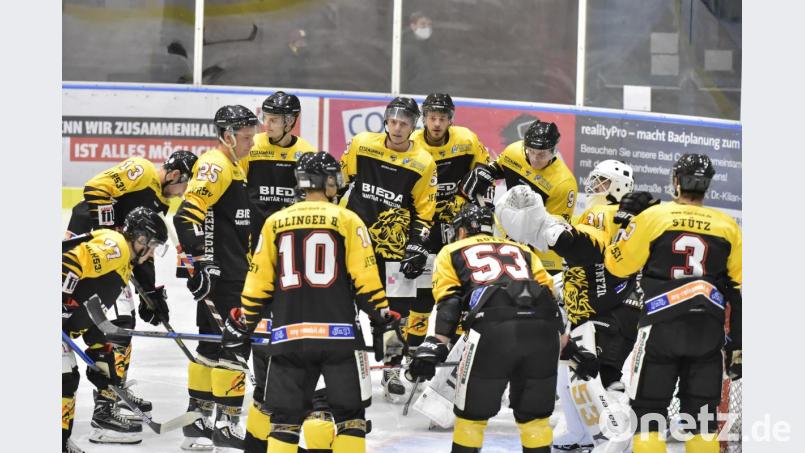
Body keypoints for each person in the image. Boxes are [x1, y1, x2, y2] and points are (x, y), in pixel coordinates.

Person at [221, 151, 398, 453]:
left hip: (288, 337)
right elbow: (365, 279)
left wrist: (244, 323)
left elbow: (259, 283)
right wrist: (384, 320)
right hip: (339, 339)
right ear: (328, 181)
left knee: (284, 422)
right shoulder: (347, 219)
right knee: (350, 419)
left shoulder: (275, 222)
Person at [496, 160, 640, 452]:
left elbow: (587, 250)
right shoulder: (606, 214)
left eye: (601, 181)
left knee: (597, 375)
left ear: (617, 186)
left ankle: (615, 436)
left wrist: (551, 230)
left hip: (609, 310)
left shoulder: (606, 212)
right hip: (596, 309)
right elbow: (586, 261)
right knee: (568, 374)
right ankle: (580, 432)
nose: (593, 186)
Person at [603, 154, 742, 452]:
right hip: (707, 332)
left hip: (659, 328)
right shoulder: (728, 226)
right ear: (707, 185)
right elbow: (740, 288)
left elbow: (617, 266)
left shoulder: (654, 217)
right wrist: (737, 344)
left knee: (648, 419)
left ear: (676, 181)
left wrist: (624, 227)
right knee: (702, 424)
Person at [408, 204, 569, 453]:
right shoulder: (523, 250)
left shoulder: (451, 250)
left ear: (461, 230)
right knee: (535, 421)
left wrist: (436, 344)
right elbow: (547, 297)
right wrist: (568, 343)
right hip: (543, 332)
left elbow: (449, 302)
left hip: (493, 330)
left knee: (471, 419)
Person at [63, 150, 196, 443]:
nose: (182, 194)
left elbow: (143, 248)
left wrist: (151, 292)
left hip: (116, 258)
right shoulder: (142, 170)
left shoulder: (160, 204)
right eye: (184, 186)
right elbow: (96, 188)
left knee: (122, 324)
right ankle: (105, 405)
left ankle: (109, 395)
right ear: (175, 175)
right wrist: (109, 235)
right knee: (110, 324)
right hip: (91, 250)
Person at [339, 96, 437, 402]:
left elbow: (425, 213)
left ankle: (392, 367)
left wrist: (417, 247)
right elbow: (343, 182)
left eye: (404, 123)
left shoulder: (423, 162)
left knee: (393, 314)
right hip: (356, 244)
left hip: (394, 249)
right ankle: (346, 368)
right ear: (386, 120)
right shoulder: (361, 144)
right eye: (393, 121)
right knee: (344, 309)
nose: (397, 128)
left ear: (413, 127)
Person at [173, 105, 258, 451]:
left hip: (224, 272)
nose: (252, 143)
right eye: (247, 137)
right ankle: (226, 424)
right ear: (227, 135)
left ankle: (199, 423)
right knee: (233, 348)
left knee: (209, 346)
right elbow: (185, 217)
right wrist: (202, 261)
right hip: (225, 277)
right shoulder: (216, 164)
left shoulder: (232, 165)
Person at [239, 91, 315, 452]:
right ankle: (261, 409)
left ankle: (270, 417)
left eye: (273, 118)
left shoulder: (305, 153)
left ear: (291, 121)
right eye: (264, 116)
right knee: (261, 332)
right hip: (256, 252)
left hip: (290, 255)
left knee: (285, 330)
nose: (265, 123)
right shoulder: (251, 147)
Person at [62, 208, 168, 452]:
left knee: (90, 369)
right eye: (152, 246)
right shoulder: (117, 246)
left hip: (64, 324)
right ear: (140, 239)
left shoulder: (123, 260)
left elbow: (89, 299)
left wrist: (100, 348)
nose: (152, 252)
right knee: (64, 380)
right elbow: (70, 261)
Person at [404, 93, 490, 351]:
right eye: (432, 118)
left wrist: (476, 187)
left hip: (458, 224)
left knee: (460, 286)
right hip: (423, 223)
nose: (437, 124)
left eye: (442, 118)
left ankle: (458, 349)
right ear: (424, 119)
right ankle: (411, 348)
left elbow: (486, 170)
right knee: (419, 291)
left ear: (450, 119)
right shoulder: (411, 142)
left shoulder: (467, 139)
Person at [460, 119, 577, 274]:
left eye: (541, 154)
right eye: (531, 151)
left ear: (554, 150)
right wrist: (482, 173)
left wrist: (521, 238)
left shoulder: (564, 183)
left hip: (543, 248)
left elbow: (554, 229)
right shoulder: (514, 152)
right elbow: (496, 169)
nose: (535, 158)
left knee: (542, 293)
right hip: (508, 229)